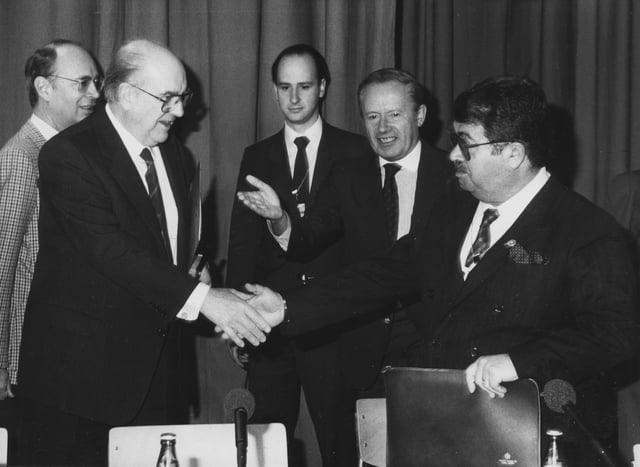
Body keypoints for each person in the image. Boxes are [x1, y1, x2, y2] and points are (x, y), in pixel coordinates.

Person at [245, 76, 640, 466]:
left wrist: (520, 362)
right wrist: (287, 307)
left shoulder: (587, 232)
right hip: (443, 427)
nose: (452, 155)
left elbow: (617, 333)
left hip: (533, 438)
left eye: (465, 144)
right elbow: (387, 273)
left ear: (514, 154)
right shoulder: (455, 205)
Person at [17, 39, 270, 466]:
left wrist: (197, 272)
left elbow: (164, 250)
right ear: (129, 94)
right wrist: (206, 300)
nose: (179, 111)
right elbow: (110, 251)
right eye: (168, 98)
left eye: (182, 97)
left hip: (155, 377)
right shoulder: (68, 155)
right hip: (80, 388)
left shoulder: (176, 155)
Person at [236, 68, 451, 465]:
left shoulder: (454, 176)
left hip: (433, 349)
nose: (383, 128)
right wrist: (279, 218)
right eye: (372, 117)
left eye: (394, 115)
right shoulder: (348, 176)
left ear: (419, 115)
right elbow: (308, 239)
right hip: (360, 349)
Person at [226, 44, 369, 466]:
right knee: (266, 441)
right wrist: (238, 314)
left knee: (342, 441)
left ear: (322, 87)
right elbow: (242, 243)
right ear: (273, 91)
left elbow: (365, 244)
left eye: (304, 86)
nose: (294, 98)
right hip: (271, 327)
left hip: (336, 324)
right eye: (285, 87)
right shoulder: (257, 155)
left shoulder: (357, 151)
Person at [0, 39, 101, 463]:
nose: (95, 94)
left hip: (68, 361)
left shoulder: (69, 155)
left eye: (96, 82)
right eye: (82, 83)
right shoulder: (22, 159)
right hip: (30, 367)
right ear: (44, 88)